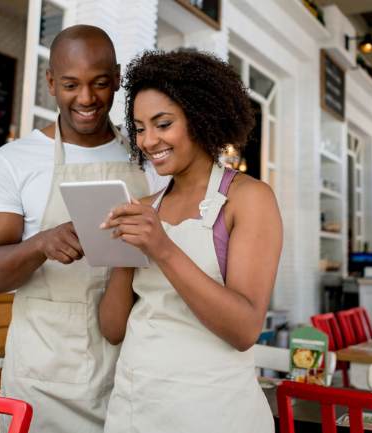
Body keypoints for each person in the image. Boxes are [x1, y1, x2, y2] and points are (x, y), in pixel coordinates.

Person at [0, 26, 165, 433]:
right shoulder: (15, 161)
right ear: (49, 83)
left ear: (116, 78)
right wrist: (40, 244)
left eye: (99, 83)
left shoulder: (147, 156)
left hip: (130, 371)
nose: (86, 98)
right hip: (43, 379)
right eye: (70, 84)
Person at [98, 50, 283, 433]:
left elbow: (244, 329)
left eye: (162, 124)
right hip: (136, 409)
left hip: (215, 413)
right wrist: (120, 251)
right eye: (140, 127)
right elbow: (113, 328)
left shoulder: (248, 199)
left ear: (200, 117)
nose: (149, 141)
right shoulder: (146, 208)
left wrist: (162, 248)